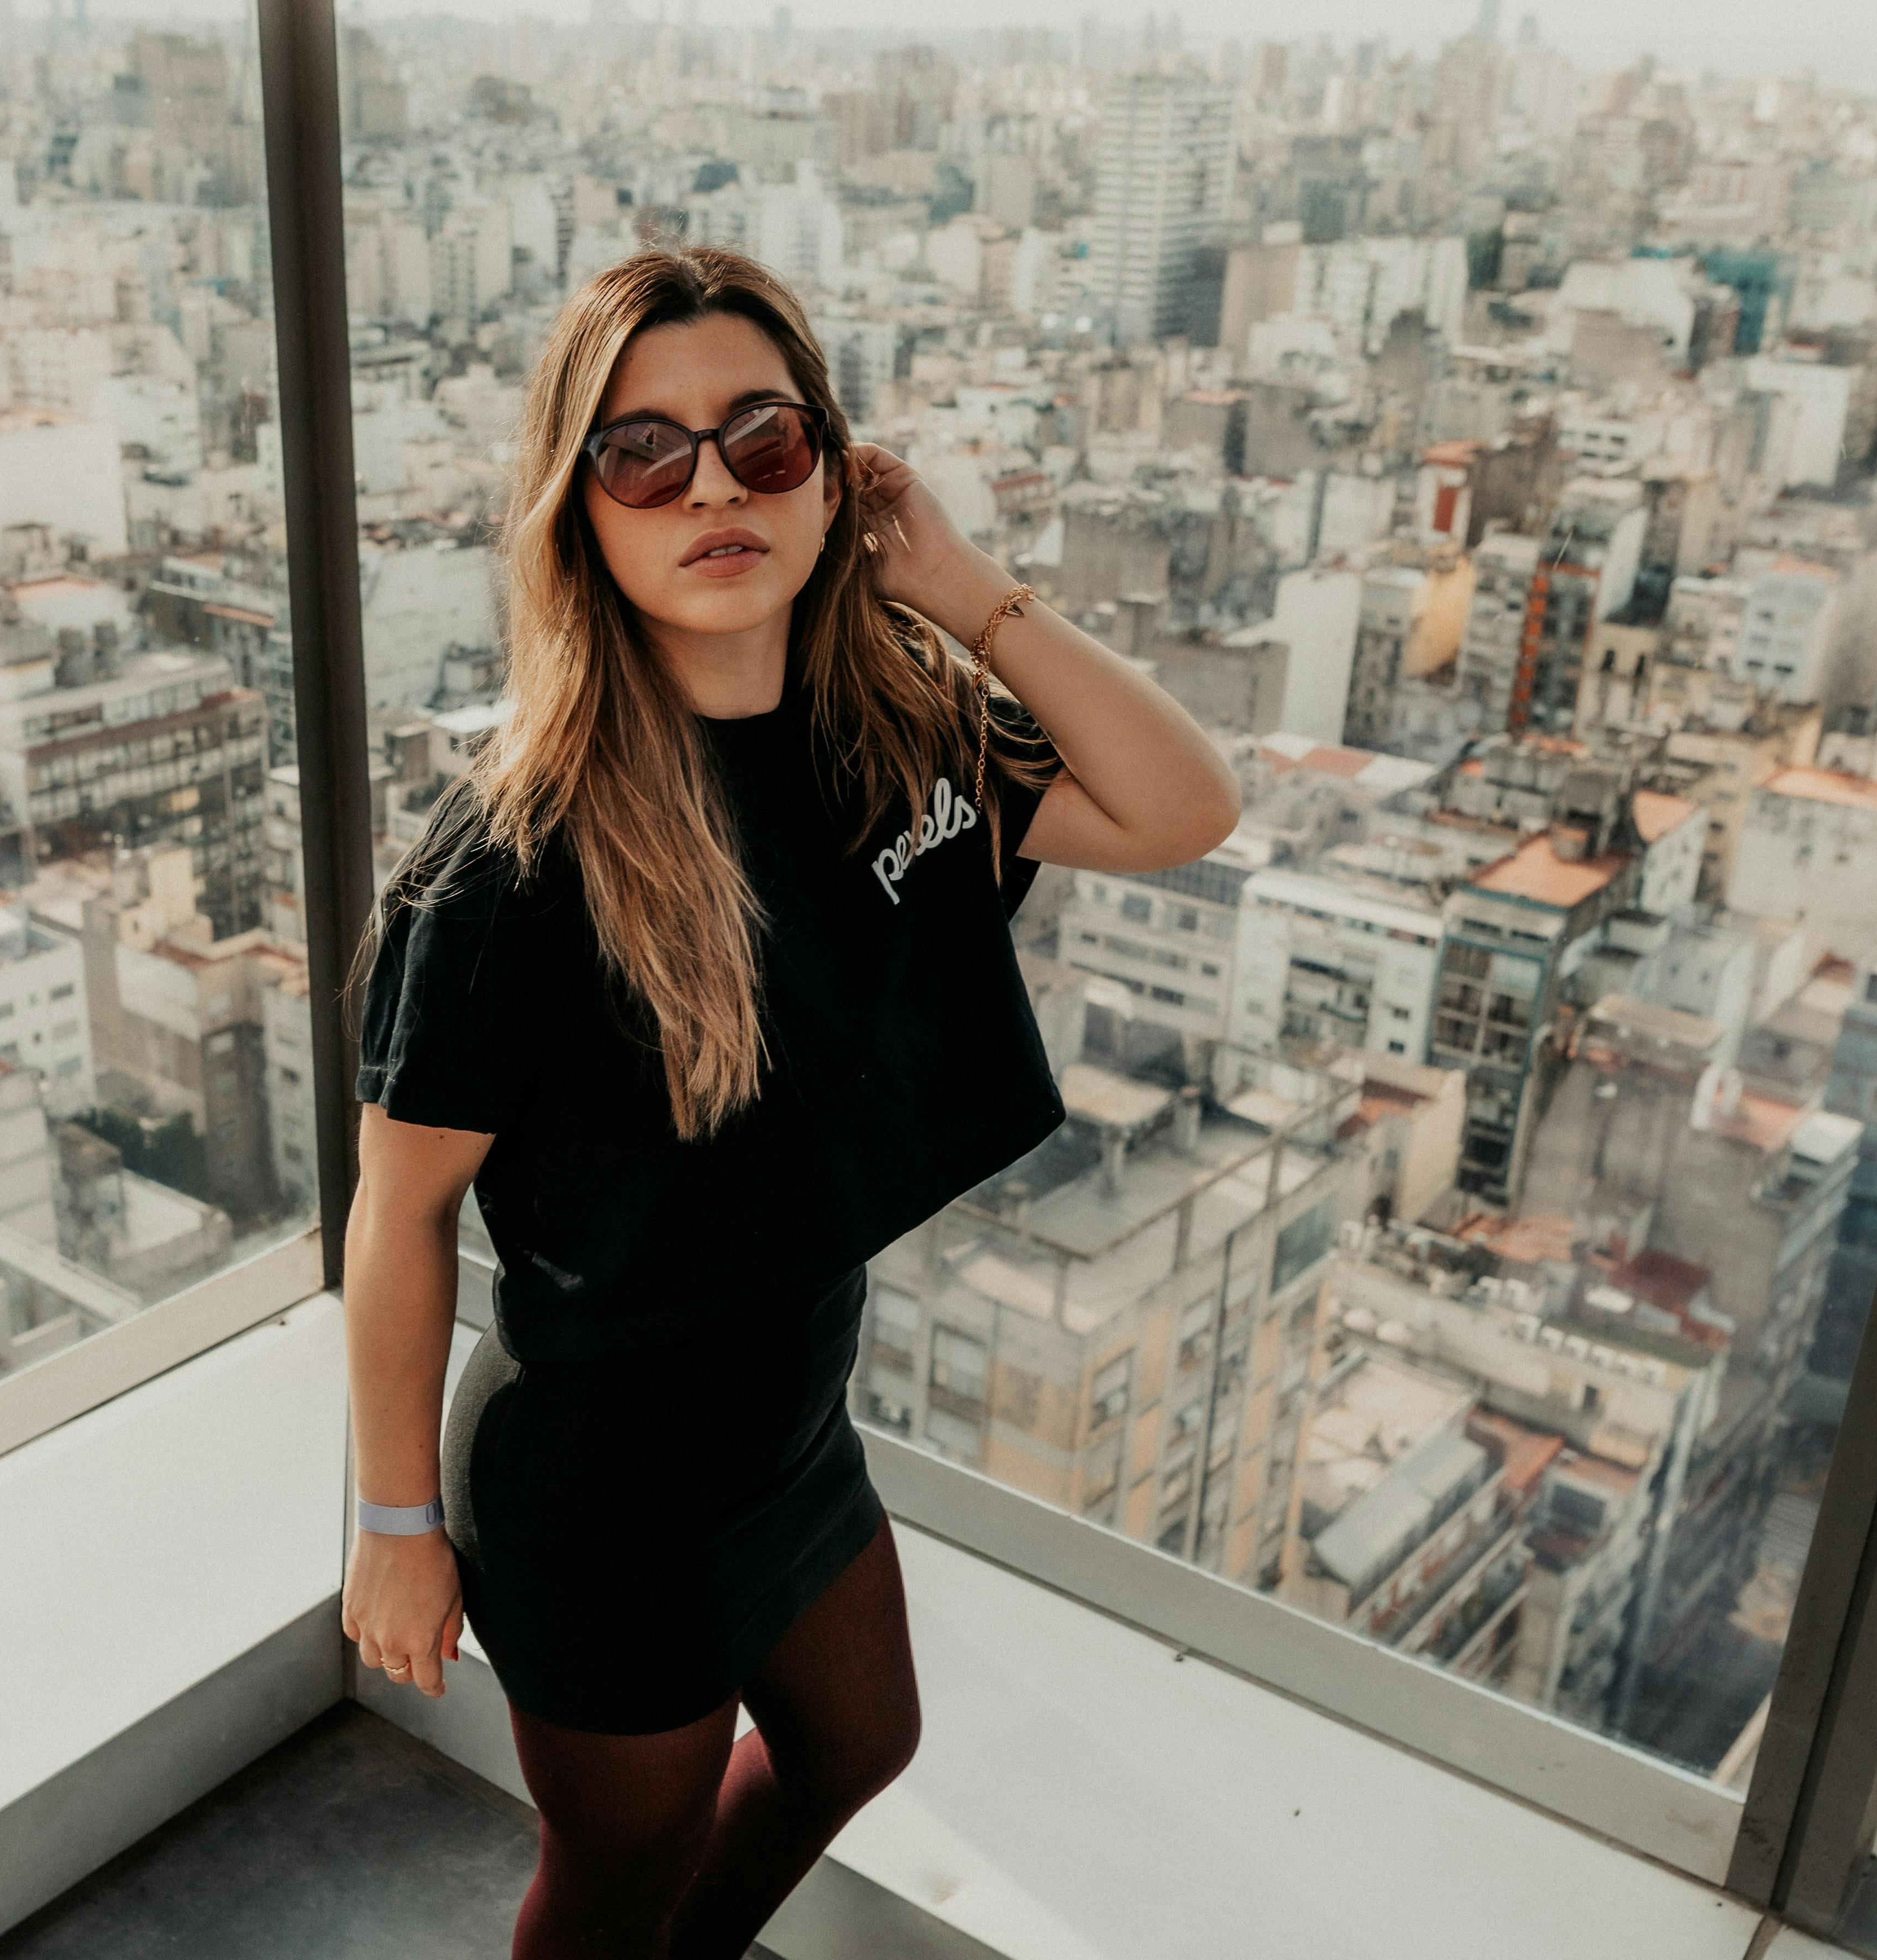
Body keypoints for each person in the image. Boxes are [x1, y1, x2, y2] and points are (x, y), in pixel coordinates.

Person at [338, 244, 1241, 1959]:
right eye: (642, 453)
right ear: (577, 512)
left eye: (762, 438)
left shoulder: (892, 738)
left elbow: (1183, 806)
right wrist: (395, 1524)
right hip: (598, 1492)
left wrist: (958, 583)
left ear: (836, 471)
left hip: (790, 1429)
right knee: (616, 1874)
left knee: (858, 1743)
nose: (711, 488)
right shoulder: (512, 863)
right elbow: (402, 1205)